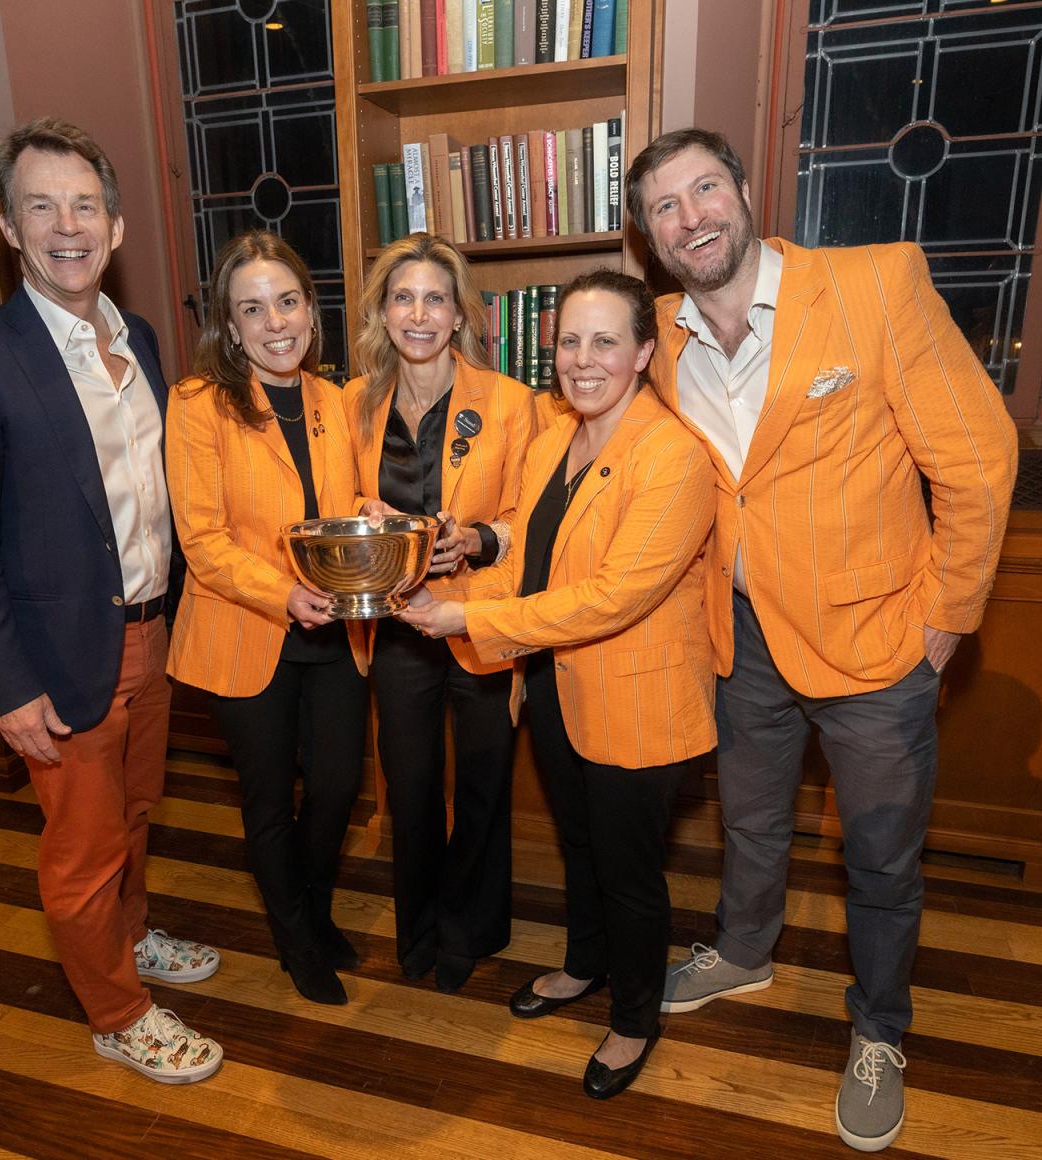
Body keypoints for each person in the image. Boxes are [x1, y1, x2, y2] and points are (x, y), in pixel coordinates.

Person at [625, 127, 1018, 1150]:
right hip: (740, 635)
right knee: (750, 822)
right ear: (647, 234)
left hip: (876, 637)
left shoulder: (873, 283)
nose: (690, 216)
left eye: (704, 187)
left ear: (744, 188)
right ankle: (743, 949)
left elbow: (976, 458)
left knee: (881, 854)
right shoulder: (657, 339)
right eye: (664, 206)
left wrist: (943, 622)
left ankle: (880, 1026)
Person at [0, 118, 222, 1083]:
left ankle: (125, 941)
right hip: (55, 655)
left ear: (117, 226)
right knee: (81, 850)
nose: (66, 225)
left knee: (132, 818)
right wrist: (5, 687)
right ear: (10, 229)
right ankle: (118, 1011)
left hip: (148, 633)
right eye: (40, 205)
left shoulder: (137, 342)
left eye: (84, 204)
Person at [400, 269, 716, 1099]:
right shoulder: (553, 441)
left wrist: (467, 622)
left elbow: (615, 596)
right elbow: (534, 567)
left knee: (629, 868)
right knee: (579, 844)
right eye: (569, 340)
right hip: (555, 687)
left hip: (637, 696)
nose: (583, 360)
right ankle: (584, 964)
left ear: (644, 352)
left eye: (606, 341)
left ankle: (636, 1017)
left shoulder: (674, 457)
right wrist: (453, 591)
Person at [165, 230, 369, 1006]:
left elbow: (341, 510)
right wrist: (281, 592)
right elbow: (203, 541)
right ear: (230, 324)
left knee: (340, 786)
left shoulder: (336, 399)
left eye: (287, 302)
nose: (275, 322)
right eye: (253, 309)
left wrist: (372, 515)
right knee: (268, 799)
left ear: (311, 312)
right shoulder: (197, 404)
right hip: (249, 629)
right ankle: (296, 940)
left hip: (337, 630)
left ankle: (312, 911)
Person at [344, 233, 537, 994]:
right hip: (396, 627)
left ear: (459, 314)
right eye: (402, 298)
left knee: (486, 785)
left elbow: (536, 516)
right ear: (383, 314)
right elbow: (333, 511)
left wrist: (482, 538)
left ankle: (471, 930)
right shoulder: (355, 405)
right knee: (410, 783)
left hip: (482, 620)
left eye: (434, 298)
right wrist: (361, 518)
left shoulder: (512, 403)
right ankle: (416, 930)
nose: (418, 314)